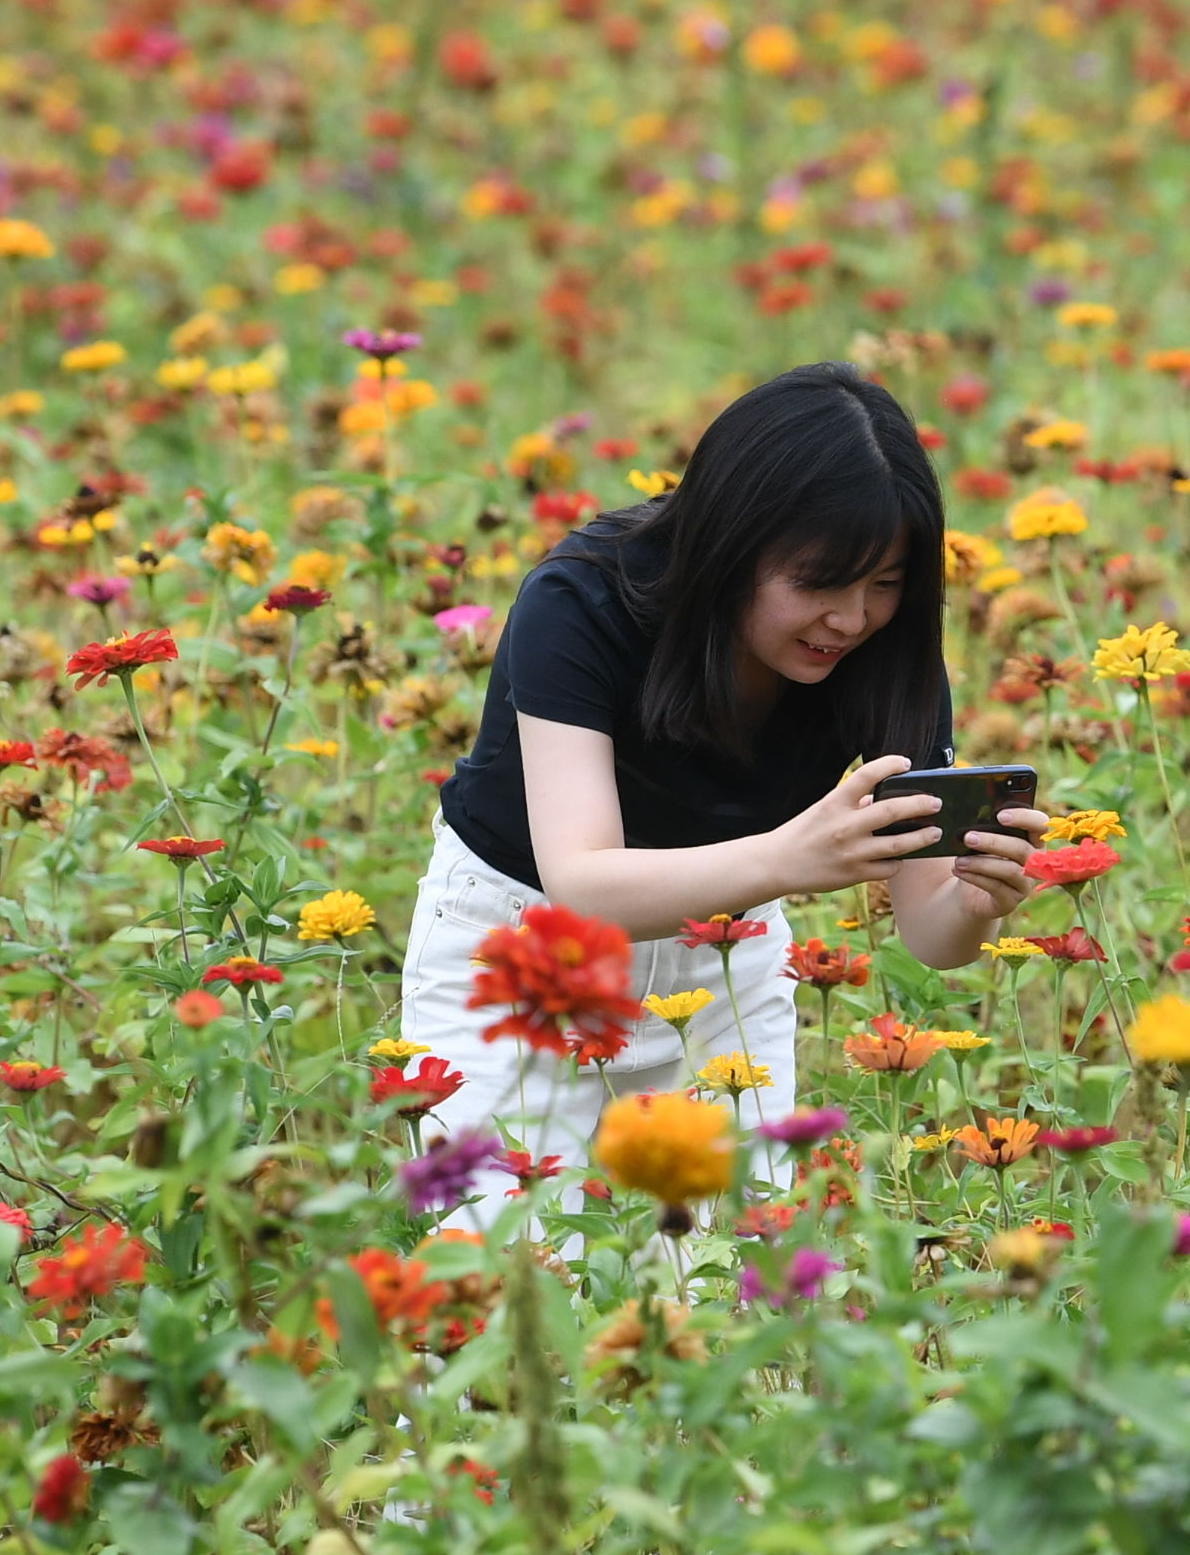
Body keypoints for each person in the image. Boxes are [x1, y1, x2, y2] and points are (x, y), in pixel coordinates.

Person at [398, 363, 1042, 1197]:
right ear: (730, 546)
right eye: (819, 583)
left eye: (884, 586)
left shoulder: (885, 657)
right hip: (520, 952)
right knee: (485, 1276)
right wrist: (789, 858)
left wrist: (974, 904)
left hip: (721, 962)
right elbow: (581, 884)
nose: (850, 620)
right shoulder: (584, 600)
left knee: (730, 1287)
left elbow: (930, 936)